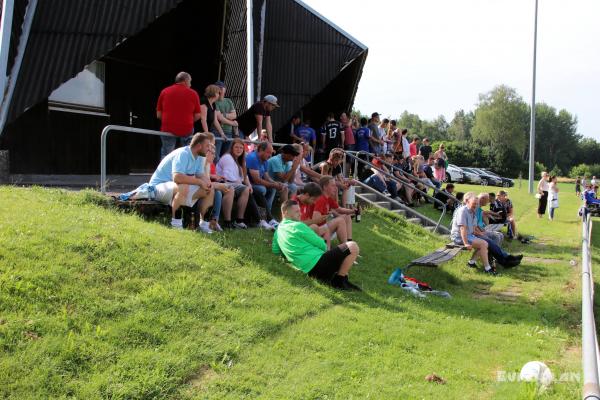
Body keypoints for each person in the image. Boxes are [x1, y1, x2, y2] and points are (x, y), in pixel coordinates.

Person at [272, 200, 361, 290]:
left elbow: (276, 251)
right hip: (317, 264)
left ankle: (339, 278)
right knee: (352, 246)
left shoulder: (278, 230)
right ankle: (339, 281)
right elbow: (321, 244)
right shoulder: (298, 226)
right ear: (286, 213)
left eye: (300, 210)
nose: (300, 213)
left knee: (342, 257)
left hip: (308, 269)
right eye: (297, 211)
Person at [149, 132, 214, 231]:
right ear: (199, 146)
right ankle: (176, 225)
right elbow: (177, 178)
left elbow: (200, 174)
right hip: (157, 187)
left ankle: (205, 226)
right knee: (183, 186)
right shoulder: (183, 154)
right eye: (207, 146)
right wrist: (200, 182)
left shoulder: (201, 156)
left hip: (177, 188)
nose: (209, 149)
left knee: (210, 189)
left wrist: (207, 183)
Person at [450, 192, 521, 275]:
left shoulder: (472, 211)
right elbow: (462, 228)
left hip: (469, 235)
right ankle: (489, 268)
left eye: (476, 204)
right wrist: (466, 243)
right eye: (474, 204)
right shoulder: (463, 211)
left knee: (485, 241)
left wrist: (480, 234)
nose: (475, 206)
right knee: (484, 244)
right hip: (459, 237)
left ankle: (472, 263)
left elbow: (473, 227)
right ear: (467, 201)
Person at [156, 72, 201, 159]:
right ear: (185, 81)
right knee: (188, 153)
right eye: (190, 82)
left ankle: (165, 172)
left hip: (167, 128)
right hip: (186, 128)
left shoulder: (164, 91)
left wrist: (169, 121)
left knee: (167, 154)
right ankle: (185, 171)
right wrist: (188, 121)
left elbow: (158, 115)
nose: (190, 85)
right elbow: (198, 115)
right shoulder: (193, 93)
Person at [292, 182, 348, 250]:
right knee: (314, 227)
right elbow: (295, 225)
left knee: (325, 229)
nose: (315, 202)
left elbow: (310, 221)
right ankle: (321, 250)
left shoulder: (309, 203)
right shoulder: (294, 203)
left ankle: (328, 252)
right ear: (307, 195)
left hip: (306, 231)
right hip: (296, 234)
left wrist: (322, 218)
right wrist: (315, 221)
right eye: (314, 199)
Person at [216, 138, 257, 229]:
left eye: (241, 148)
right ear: (231, 148)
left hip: (234, 184)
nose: (239, 150)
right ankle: (228, 221)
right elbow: (229, 179)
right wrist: (244, 185)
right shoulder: (228, 157)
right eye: (236, 147)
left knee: (249, 189)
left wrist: (249, 185)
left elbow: (245, 176)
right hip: (223, 183)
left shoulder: (241, 160)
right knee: (242, 189)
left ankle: (239, 220)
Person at [246, 142, 286, 229]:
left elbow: (266, 176)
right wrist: (273, 185)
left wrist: (274, 183)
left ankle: (267, 216)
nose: (270, 155)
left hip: (255, 184)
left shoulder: (265, 160)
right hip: (248, 184)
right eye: (268, 152)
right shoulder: (253, 158)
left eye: (271, 153)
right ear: (260, 150)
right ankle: (265, 218)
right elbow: (256, 180)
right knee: (262, 189)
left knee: (272, 189)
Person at [313, 176, 357, 242]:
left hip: (324, 227)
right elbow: (315, 219)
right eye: (333, 185)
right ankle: (345, 249)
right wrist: (328, 216)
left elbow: (339, 209)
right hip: (318, 232)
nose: (336, 188)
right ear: (325, 187)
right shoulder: (320, 199)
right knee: (340, 220)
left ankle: (349, 242)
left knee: (346, 216)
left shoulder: (328, 198)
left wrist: (353, 211)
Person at [201, 84, 228, 161]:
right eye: (218, 93)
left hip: (205, 133)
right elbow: (203, 120)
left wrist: (222, 134)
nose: (219, 95)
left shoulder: (213, 104)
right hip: (199, 132)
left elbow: (215, 120)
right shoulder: (204, 101)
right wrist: (207, 134)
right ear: (214, 93)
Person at [214, 81, 239, 157]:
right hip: (217, 131)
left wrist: (224, 114)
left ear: (225, 89)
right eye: (218, 88)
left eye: (222, 88)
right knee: (216, 156)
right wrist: (233, 123)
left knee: (226, 156)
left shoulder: (228, 101)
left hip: (228, 132)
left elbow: (234, 115)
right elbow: (219, 118)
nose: (220, 90)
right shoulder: (214, 102)